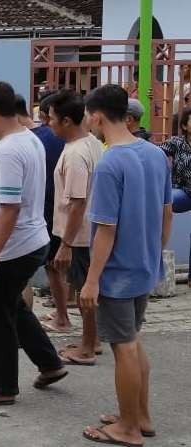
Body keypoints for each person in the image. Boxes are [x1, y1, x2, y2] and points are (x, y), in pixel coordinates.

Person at [80, 84, 172, 447]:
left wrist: (91, 280)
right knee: (132, 341)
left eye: (90, 115)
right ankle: (140, 416)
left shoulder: (110, 164)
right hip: (145, 266)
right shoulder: (154, 153)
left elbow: (105, 230)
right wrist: (154, 254)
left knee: (125, 347)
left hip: (117, 273)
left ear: (97, 116)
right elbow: (167, 212)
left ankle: (129, 428)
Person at [0, 81, 67, 407]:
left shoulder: (9, 150)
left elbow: (9, 208)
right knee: (14, 307)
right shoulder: (27, 138)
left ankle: (2, 386)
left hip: (13, 245)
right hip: (31, 238)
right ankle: (49, 363)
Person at [45, 89, 104, 366]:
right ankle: (91, 339)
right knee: (85, 290)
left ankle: (88, 347)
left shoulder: (77, 154)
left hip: (79, 235)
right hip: (86, 231)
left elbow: (78, 203)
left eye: (52, 119)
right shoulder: (91, 142)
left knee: (84, 292)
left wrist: (66, 244)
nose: (49, 124)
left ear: (67, 120)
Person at [25, 93, 72, 328]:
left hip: (50, 208)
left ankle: (63, 317)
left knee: (54, 267)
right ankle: (62, 313)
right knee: (62, 267)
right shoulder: (84, 141)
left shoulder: (37, 138)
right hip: (67, 209)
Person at [161, 108, 191, 213]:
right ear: (184, 126)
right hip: (183, 191)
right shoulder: (177, 142)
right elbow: (156, 153)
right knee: (165, 199)